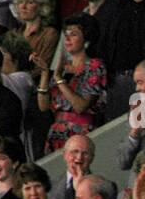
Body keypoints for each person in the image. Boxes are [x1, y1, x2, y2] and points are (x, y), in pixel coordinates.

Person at [35, 14, 106, 152]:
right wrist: (45, 73)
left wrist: (58, 79)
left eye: (73, 34)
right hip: (57, 133)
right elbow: (43, 106)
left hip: (81, 133)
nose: (67, 38)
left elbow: (80, 106)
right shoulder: (63, 68)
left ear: (87, 40)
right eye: (65, 34)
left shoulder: (94, 66)